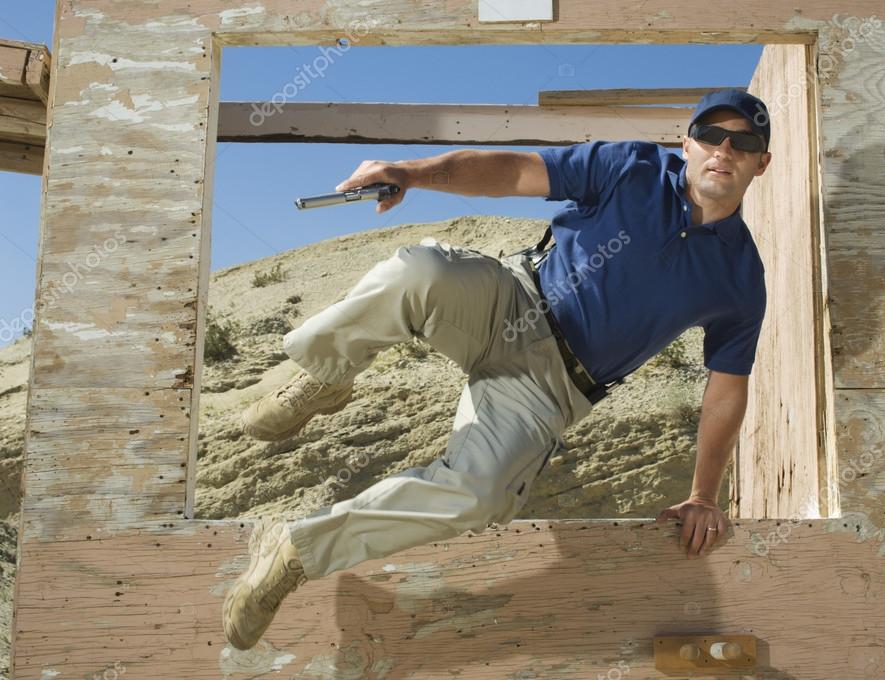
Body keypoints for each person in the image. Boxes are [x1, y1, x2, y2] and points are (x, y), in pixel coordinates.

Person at [222, 89, 773, 650]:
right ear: (688, 144)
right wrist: (409, 173)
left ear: (761, 162)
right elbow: (510, 172)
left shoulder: (741, 280)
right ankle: (324, 377)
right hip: (509, 301)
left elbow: (726, 390)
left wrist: (704, 495)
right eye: (710, 135)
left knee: (483, 493)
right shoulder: (630, 167)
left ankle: (293, 551)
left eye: (743, 142)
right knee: (421, 271)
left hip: (552, 387)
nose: (723, 149)